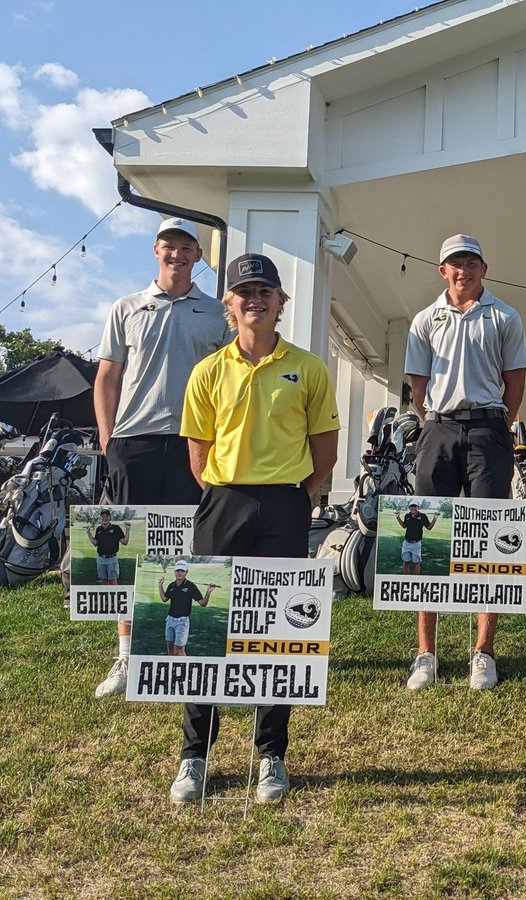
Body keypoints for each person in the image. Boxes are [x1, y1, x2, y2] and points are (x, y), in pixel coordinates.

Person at [170, 252, 339, 804]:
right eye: (245, 292)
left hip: (286, 505)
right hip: (224, 502)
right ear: (229, 305)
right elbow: (198, 452)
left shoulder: (309, 368)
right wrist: (225, 496)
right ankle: (195, 755)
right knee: (206, 628)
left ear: (281, 303)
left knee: (279, 632)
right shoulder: (208, 371)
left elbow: (325, 450)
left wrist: (300, 498)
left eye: (266, 291)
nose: (256, 300)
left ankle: (271, 754)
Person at [92, 218, 230, 699]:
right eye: (169, 246)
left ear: (198, 256)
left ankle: (181, 653)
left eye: (187, 248)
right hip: (134, 443)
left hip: (194, 444)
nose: (177, 254)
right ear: (156, 250)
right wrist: (109, 443)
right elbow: (108, 378)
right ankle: (128, 653)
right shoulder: (126, 307)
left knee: (187, 552)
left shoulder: (217, 314)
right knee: (131, 551)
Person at [403, 234, 526, 691]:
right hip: (438, 429)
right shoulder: (425, 319)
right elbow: (417, 383)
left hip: (488, 429)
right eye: (454, 264)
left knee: (490, 539)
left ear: (484, 267)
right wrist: (433, 421)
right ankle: (426, 653)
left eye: (471, 262)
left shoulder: (504, 316)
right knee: (430, 537)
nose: (463, 270)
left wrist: (500, 422)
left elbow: (514, 382)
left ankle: (483, 651)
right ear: (442, 271)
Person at [157, 560, 217, 656]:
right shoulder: (171, 586)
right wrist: (160, 585)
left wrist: (208, 592)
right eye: (177, 570)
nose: (179, 573)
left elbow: (202, 603)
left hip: (182, 621)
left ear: (186, 572)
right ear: (174, 571)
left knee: (180, 649)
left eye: (182, 571)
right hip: (170, 620)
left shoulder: (191, 586)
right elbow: (164, 598)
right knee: (170, 646)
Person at [87, 509, 129, 585]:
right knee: (104, 582)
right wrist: (88, 533)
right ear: (100, 518)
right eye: (103, 516)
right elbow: (95, 543)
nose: (105, 518)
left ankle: (115, 596)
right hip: (101, 559)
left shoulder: (116, 528)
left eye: (107, 516)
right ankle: (106, 596)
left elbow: (125, 542)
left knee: (113, 582)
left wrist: (127, 529)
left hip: (112, 559)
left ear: (110, 518)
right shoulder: (99, 529)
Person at [397, 501, 440, 575]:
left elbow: (429, 527)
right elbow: (404, 526)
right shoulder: (407, 516)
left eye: (415, 506)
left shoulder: (423, 516)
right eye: (412, 506)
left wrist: (435, 518)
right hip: (406, 543)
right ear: (409, 507)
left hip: (416, 544)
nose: (413, 508)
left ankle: (415, 580)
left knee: (416, 563)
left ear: (418, 507)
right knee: (406, 562)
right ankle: (405, 579)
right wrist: (398, 518)